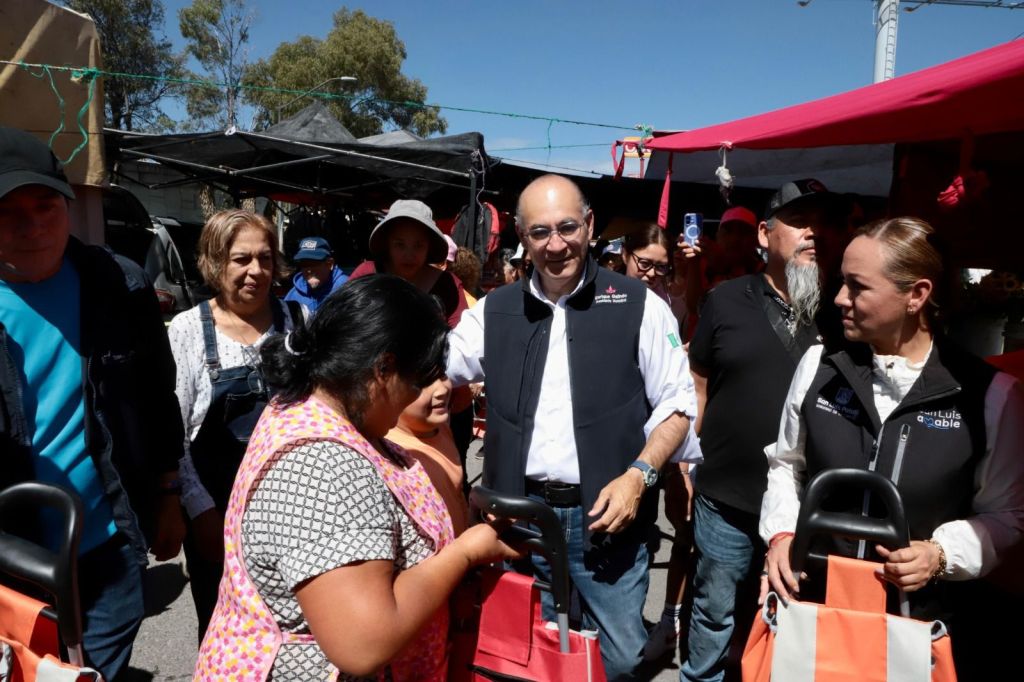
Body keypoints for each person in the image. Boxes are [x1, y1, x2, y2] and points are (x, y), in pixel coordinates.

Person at [195, 275, 519, 680]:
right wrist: (465, 553)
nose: (416, 396)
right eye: (417, 380)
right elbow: (364, 643)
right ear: (383, 368)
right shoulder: (321, 465)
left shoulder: (313, 406)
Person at [447, 174, 697, 681]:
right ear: (522, 234)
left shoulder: (639, 304)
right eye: (540, 232)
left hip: (608, 520)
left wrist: (638, 477)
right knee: (520, 651)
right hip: (520, 520)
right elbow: (432, 376)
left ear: (588, 226)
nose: (555, 244)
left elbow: (677, 406)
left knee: (621, 658)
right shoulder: (493, 312)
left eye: (566, 227)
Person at [760, 217, 1024, 679]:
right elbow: (786, 464)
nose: (839, 298)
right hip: (814, 609)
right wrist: (781, 534)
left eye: (857, 287)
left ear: (916, 295)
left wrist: (940, 554)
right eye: (841, 282)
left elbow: (1006, 516)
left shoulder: (990, 395)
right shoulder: (818, 364)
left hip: (918, 627)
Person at [0, 126, 185, 679]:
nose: (32, 226)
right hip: (11, 554)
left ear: (67, 207)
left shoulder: (117, 284)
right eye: (9, 212)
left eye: (45, 206)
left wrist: (169, 493)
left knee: (94, 669)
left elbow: (157, 397)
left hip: (108, 542)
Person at [681, 179, 849, 682]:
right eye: (799, 221)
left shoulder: (848, 312)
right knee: (714, 610)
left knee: (799, 618)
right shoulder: (725, 300)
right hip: (726, 498)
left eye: (822, 223)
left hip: (811, 510)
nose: (812, 233)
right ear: (764, 234)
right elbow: (699, 383)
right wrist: (687, 461)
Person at [167, 209, 304, 640]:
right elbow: (175, 434)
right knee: (225, 630)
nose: (256, 271)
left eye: (265, 258)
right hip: (216, 510)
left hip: (293, 512)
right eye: (241, 259)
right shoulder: (189, 330)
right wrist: (200, 511)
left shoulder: (299, 323)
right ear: (214, 262)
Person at [617, 223, 696, 662]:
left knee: (654, 531)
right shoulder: (600, 297)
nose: (650, 273)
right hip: (618, 438)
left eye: (660, 267)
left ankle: (654, 624)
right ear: (625, 254)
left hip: (660, 437)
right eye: (643, 263)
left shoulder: (665, 302)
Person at [349, 199, 468, 327]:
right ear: (387, 245)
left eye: (419, 246)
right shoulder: (367, 274)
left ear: (429, 247)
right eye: (400, 245)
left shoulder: (447, 284)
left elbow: (463, 336)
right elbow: (340, 322)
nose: (409, 255)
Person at [386, 375, 469, 535]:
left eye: (442, 375)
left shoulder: (441, 429)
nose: (441, 389)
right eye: (424, 381)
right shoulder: (391, 451)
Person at [284, 236, 348, 313]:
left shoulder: (347, 288)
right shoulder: (293, 295)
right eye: (304, 264)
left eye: (313, 263)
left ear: (329, 264)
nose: (308, 270)